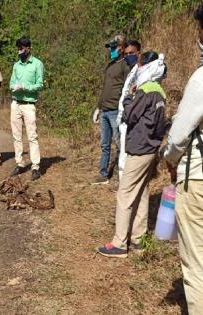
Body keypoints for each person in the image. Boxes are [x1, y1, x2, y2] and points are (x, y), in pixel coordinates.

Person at [98, 51, 168, 258]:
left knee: (125, 193)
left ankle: (119, 243)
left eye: (139, 64)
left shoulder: (145, 90)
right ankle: (138, 240)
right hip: (151, 148)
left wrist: (129, 96)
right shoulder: (159, 91)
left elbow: (129, 114)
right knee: (142, 192)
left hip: (139, 148)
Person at [163, 4, 203, 313]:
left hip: (199, 179)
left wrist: (170, 159)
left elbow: (177, 137)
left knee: (197, 266)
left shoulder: (201, 79)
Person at [92, 35, 131, 185]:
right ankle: (103, 174)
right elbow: (105, 89)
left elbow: (128, 88)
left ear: (121, 48)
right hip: (105, 111)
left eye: (114, 48)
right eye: (111, 48)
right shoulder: (110, 65)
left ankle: (120, 177)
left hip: (116, 111)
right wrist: (98, 107)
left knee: (120, 144)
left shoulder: (125, 65)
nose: (112, 51)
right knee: (105, 145)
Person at [9, 36, 44, 180]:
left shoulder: (37, 64)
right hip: (16, 103)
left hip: (29, 104)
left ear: (28, 48)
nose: (20, 51)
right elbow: (11, 83)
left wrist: (25, 87)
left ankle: (35, 166)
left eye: (22, 48)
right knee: (16, 135)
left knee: (32, 135)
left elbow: (40, 84)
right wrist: (14, 87)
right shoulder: (16, 65)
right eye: (18, 48)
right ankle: (20, 163)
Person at [117, 40, 142, 180]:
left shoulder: (143, 71)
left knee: (127, 157)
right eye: (126, 54)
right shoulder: (131, 71)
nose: (128, 56)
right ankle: (123, 185)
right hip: (123, 119)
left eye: (132, 53)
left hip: (132, 120)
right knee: (123, 154)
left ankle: (126, 187)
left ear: (139, 52)